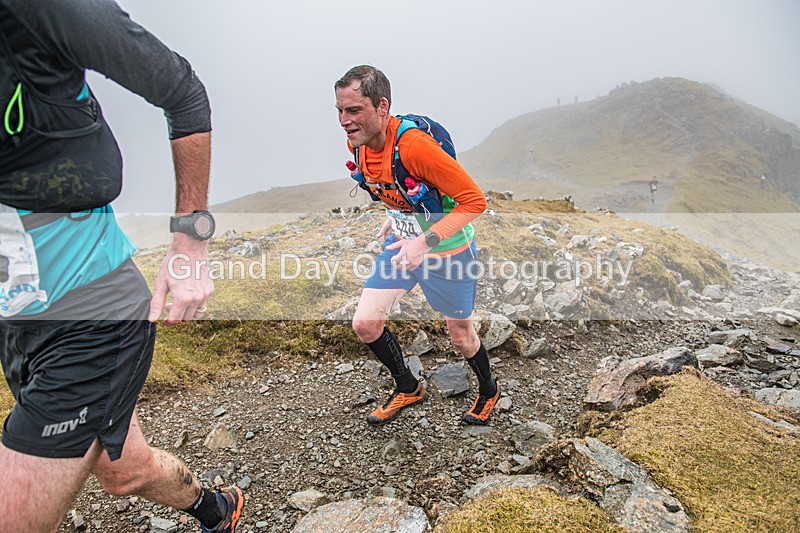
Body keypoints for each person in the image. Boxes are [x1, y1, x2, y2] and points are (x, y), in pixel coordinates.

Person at [0, 1, 242, 532]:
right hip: (16, 319)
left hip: (90, 309)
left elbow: (183, 93)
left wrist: (190, 242)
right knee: (124, 470)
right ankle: (217, 509)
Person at [334, 65, 499, 426]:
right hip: (402, 245)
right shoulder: (359, 141)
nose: (345, 121)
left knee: (460, 336)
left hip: (448, 251)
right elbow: (393, 185)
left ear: (382, 106)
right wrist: (396, 214)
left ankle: (489, 390)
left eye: (354, 111)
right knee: (365, 324)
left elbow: (475, 201)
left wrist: (425, 241)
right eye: (340, 111)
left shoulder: (415, 147)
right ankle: (408, 386)